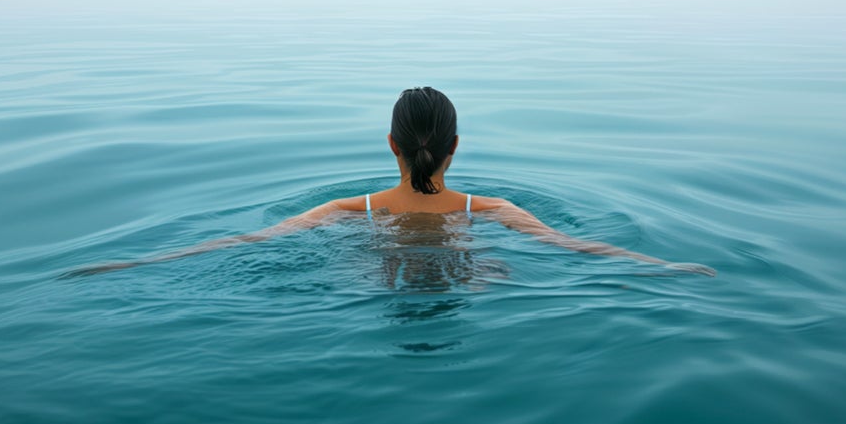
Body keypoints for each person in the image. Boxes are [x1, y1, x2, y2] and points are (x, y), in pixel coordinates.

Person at [70, 84, 713, 275]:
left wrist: (142, 261)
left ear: (391, 146)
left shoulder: (348, 211)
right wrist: (669, 266)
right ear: (455, 148)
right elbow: (577, 250)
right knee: (491, 272)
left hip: (377, 268)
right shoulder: (490, 209)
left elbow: (243, 246)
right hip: (468, 266)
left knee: (373, 273)